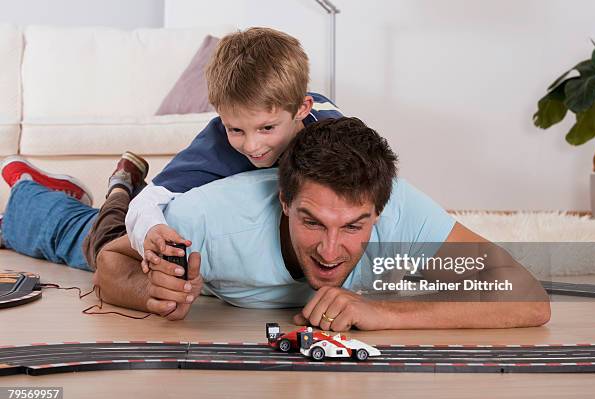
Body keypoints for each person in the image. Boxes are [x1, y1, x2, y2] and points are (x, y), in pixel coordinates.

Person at [93, 118, 551, 330]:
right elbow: (111, 259)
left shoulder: (402, 209)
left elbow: (528, 297)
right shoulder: (209, 215)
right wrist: (147, 292)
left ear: (379, 210)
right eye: (313, 222)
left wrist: (383, 313)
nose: (331, 252)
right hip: (133, 222)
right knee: (84, 234)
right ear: (285, 199)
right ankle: (117, 188)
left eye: (354, 226)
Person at [0, 27, 341, 273]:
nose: (252, 145)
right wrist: (149, 231)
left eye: (267, 128)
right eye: (236, 128)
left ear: (302, 107)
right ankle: (30, 202)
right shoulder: (218, 144)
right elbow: (151, 203)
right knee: (98, 244)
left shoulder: (335, 134)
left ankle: (122, 182)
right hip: (183, 226)